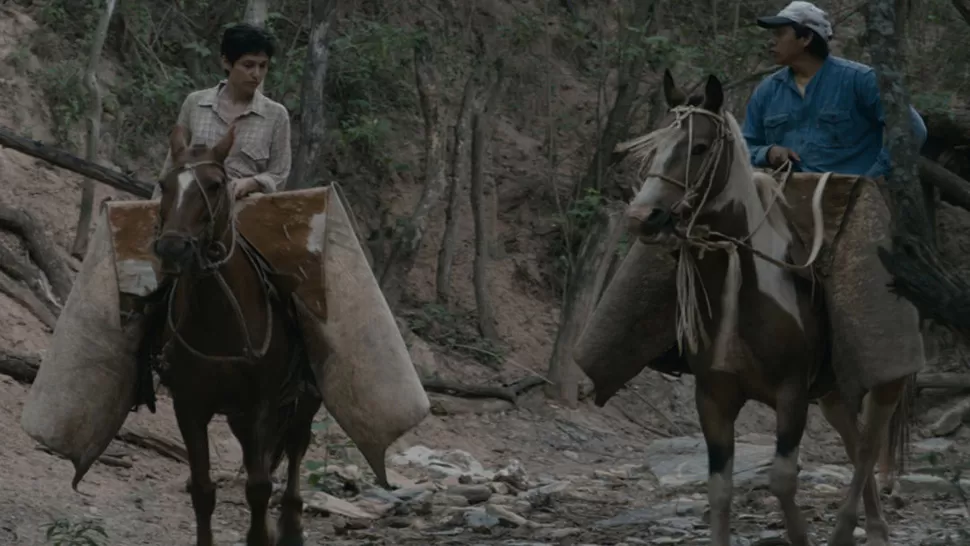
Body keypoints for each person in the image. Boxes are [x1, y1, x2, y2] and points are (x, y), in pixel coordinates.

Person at [742, 1, 927, 181]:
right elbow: (743, 147)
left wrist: (874, 176)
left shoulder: (860, 80)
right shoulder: (767, 91)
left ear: (806, 38)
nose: (771, 42)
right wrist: (768, 152)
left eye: (780, 34)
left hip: (855, 200)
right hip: (789, 198)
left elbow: (912, 129)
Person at [152, 23, 291, 200]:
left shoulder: (276, 115)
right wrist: (155, 207)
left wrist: (252, 183)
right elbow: (173, 162)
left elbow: (279, 175)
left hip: (247, 209)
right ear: (226, 62)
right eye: (248, 65)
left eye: (263, 66)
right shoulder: (196, 103)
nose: (256, 74)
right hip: (194, 207)